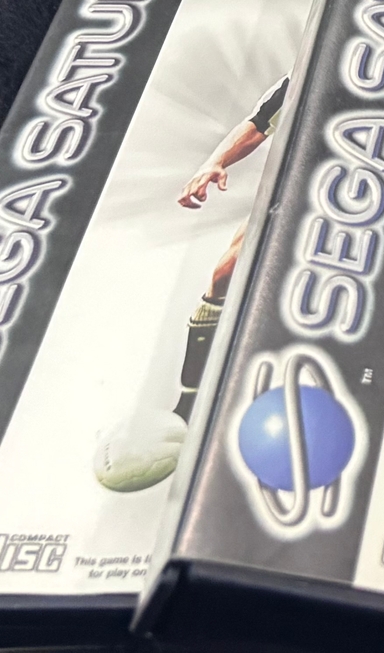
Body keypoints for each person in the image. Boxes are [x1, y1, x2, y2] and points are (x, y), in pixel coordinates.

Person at [91, 75, 287, 491]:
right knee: (226, 273)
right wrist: (213, 163)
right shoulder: (315, 63)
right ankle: (191, 404)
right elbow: (260, 122)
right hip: (303, 181)